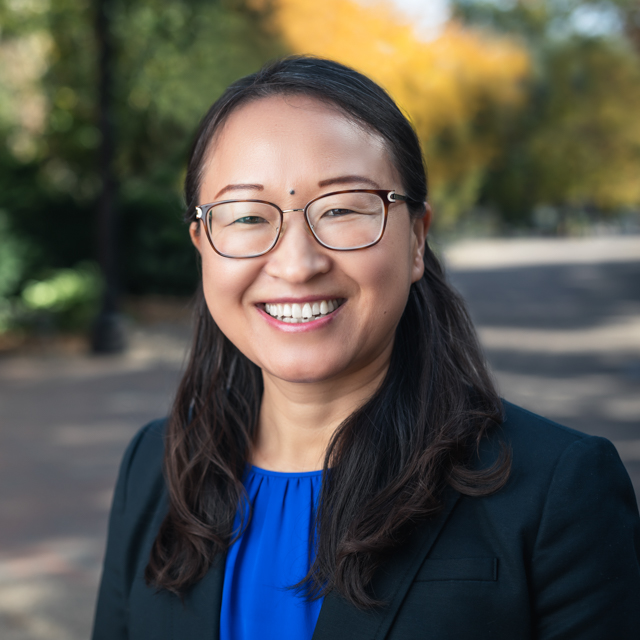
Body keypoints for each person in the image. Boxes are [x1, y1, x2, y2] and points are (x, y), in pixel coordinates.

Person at [92, 56, 640, 640]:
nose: (297, 265)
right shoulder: (154, 465)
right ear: (203, 243)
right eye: (248, 215)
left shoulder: (559, 489)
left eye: (343, 209)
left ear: (416, 241)